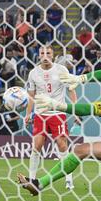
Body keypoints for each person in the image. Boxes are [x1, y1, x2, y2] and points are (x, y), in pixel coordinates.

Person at [19, 56, 101, 198]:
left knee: (82, 151)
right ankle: (39, 184)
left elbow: (88, 109)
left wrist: (55, 105)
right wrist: (80, 78)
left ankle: (39, 184)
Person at [24, 45, 79, 190]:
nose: (45, 55)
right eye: (42, 53)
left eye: (48, 53)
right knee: (37, 146)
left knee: (62, 144)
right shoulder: (33, 73)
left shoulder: (61, 70)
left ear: (53, 55)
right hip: (41, 114)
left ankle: (68, 180)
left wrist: (76, 109)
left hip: (58, 113)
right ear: (39, 55)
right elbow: (31, 96)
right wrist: (28, 114)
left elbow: (71, 90)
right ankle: (31, 179)